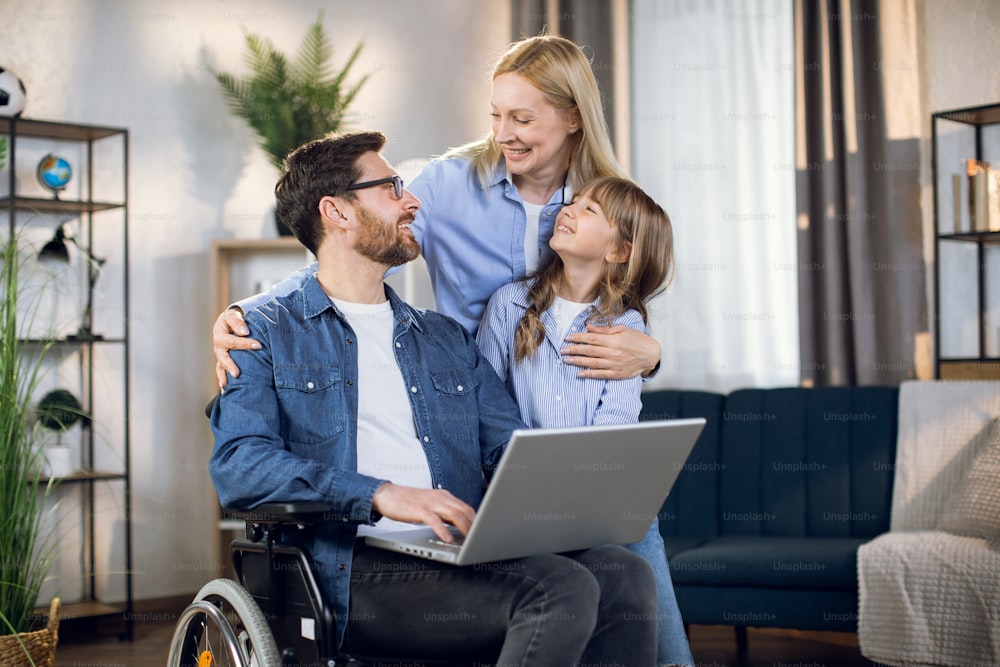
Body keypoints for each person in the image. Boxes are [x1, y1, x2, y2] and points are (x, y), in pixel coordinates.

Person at [211, 34, 694, 665]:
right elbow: (241, 468)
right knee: (561, 588)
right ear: (340, 212)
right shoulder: (270, 327)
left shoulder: (442, 338)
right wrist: (381, 492)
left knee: (623, 575)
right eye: (392, 190)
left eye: (524, 118)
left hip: (464, 543)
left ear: (572, 117)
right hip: (354, 563)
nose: (412, 199)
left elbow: (505, 442)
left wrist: (646, 363)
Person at [212, 34, 660, 387]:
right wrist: (252, 311)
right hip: (474, 407)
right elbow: (351, 258)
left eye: (523, 120)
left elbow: (635, 300)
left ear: (573, 118)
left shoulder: (606, 205)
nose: (504, 135)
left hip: (579, 398)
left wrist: (653, 356)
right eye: (496, 115)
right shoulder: (447, 185)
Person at [476, 176, 689, 667]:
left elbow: (615, 427)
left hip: (602, 502)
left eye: (591, 211)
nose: (569, 210)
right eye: (574, 201)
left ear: (619, 252)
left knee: (666, 645)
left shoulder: (627, 328)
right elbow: (484, 405)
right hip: (525, 499)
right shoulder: (510, 304)